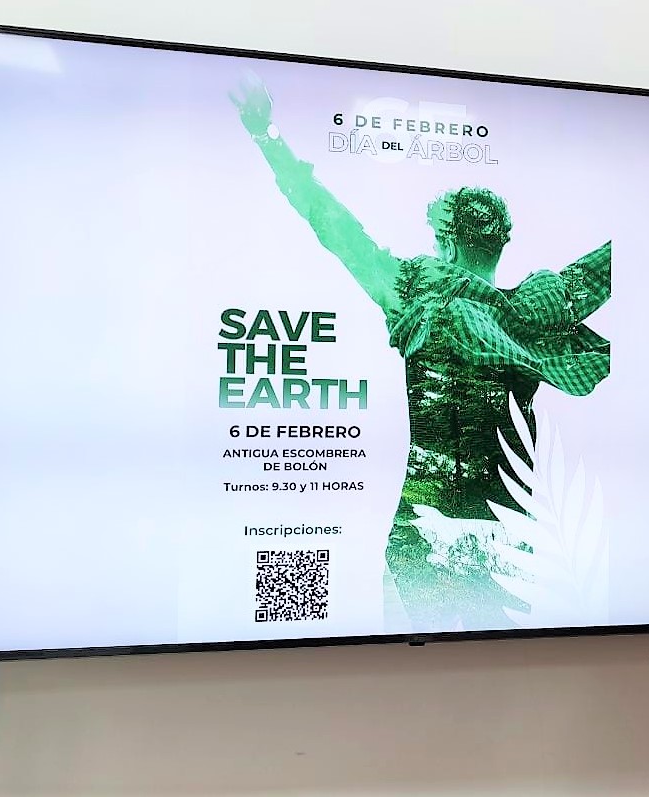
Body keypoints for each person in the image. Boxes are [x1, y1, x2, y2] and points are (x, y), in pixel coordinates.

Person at [229, 75, 613, 633]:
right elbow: (608, 265)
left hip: (421, 531)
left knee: (407, 681)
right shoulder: (532, 316)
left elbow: (330, 222)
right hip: (507, 536)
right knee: (506, 682)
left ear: (449, 242)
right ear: (498, 244)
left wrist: (268, 137)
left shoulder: (411, 295)